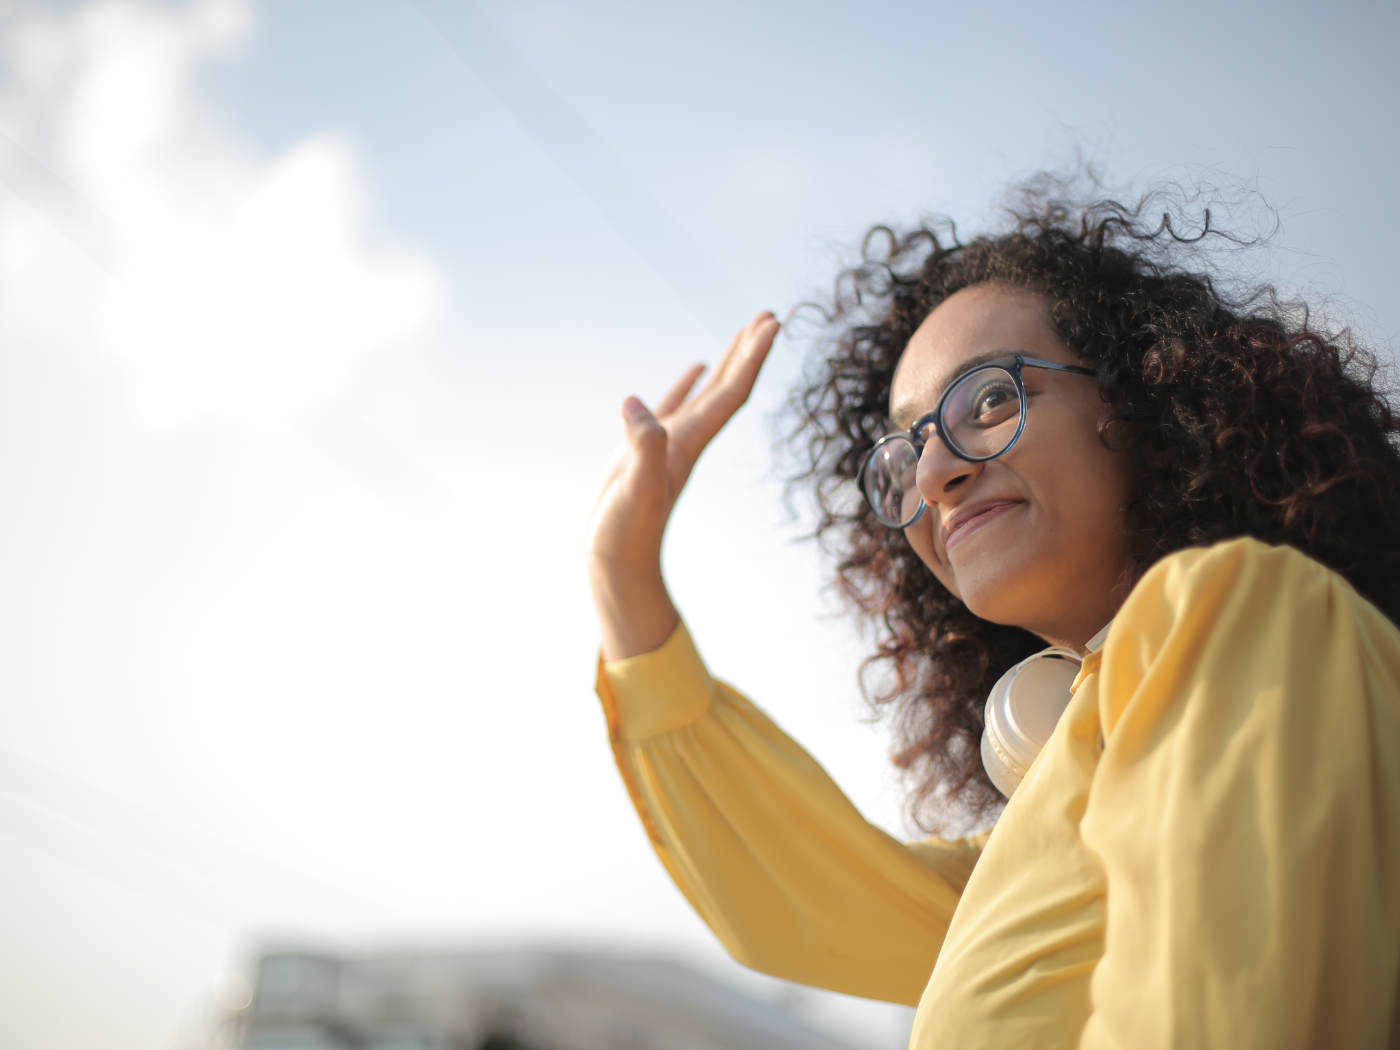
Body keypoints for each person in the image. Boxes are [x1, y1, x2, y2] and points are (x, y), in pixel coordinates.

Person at [585, 182, 1400, 1048]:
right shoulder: (1051, 823)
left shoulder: (1247, 609)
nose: (934, 473)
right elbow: (795, 900)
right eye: (906, 450)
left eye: (990, 401)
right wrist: (621, 572)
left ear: (1142, 403)